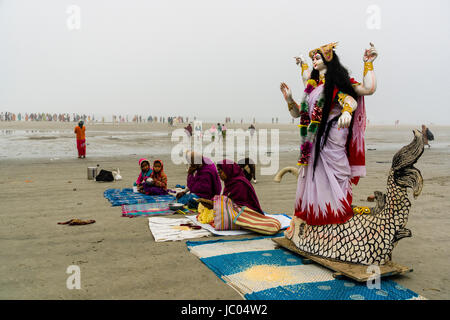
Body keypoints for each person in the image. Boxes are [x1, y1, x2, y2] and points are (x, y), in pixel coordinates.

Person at [280, 42, 378, 225]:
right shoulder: (312, 88)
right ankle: (316, 219)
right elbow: (297, 114)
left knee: (335, 179)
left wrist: (368, 62)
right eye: (312, 59)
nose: (314, 61)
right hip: (312, 141)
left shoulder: (340, 83)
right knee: (313, 180)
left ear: (328, 59)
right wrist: (289, 99)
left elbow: (367, 90)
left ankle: (334, 218)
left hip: (333, 139)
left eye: (317, 58)